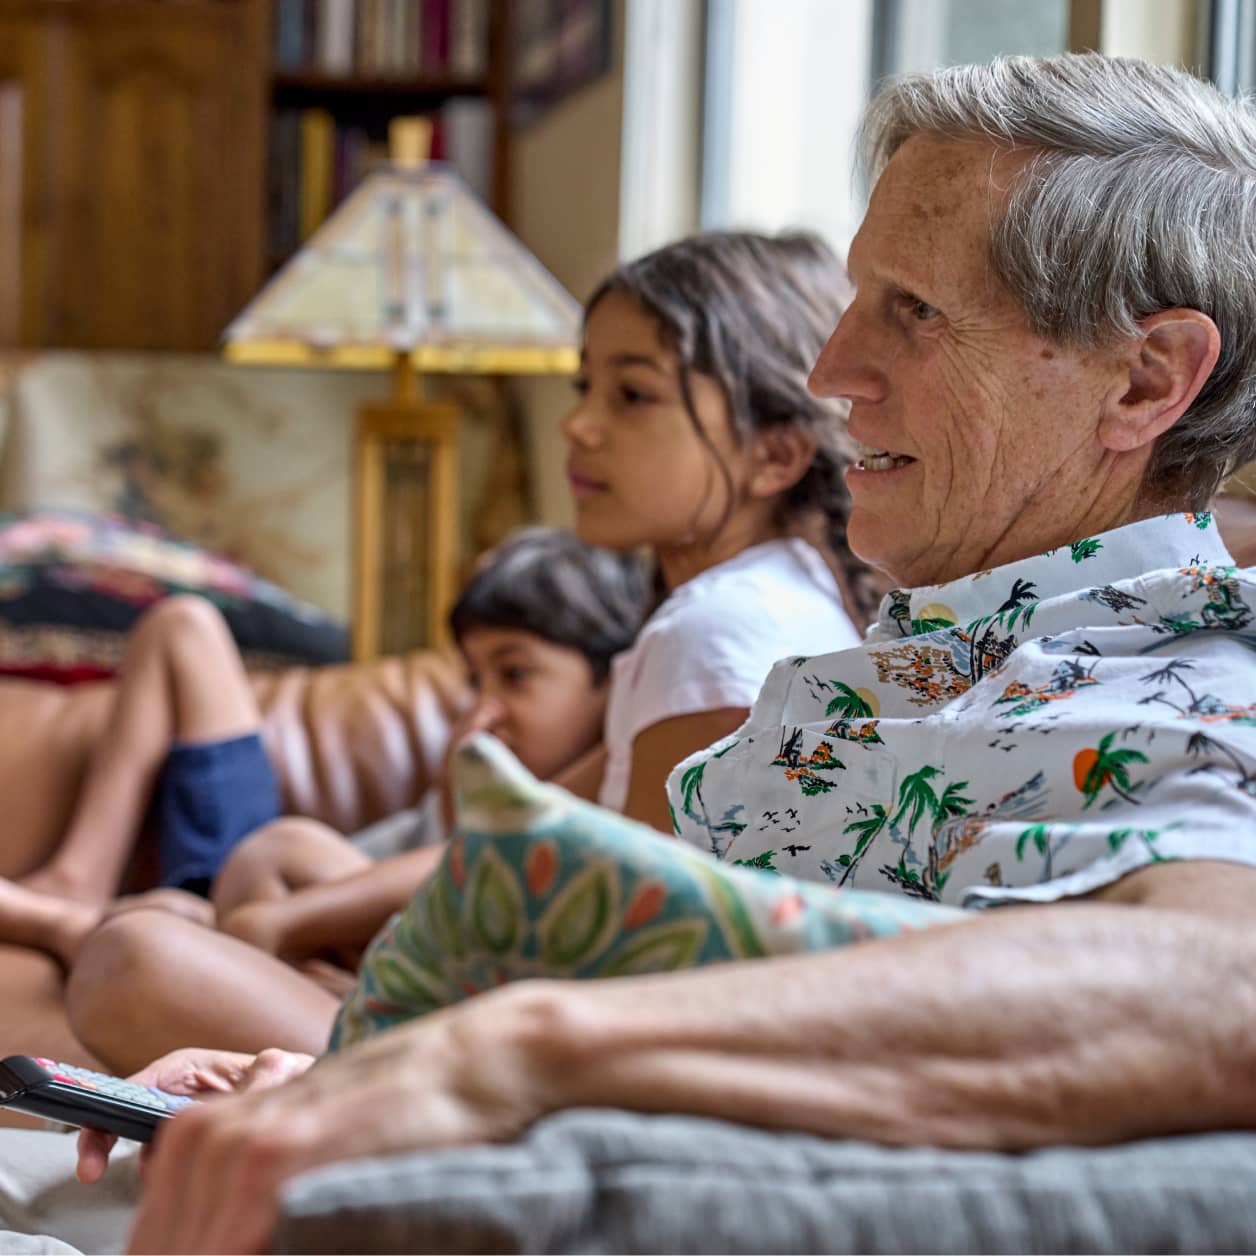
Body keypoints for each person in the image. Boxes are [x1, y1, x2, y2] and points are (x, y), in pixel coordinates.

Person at [61, 52, 1256, 1255]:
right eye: (855, 299)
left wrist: (502, 1057)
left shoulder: (1194, 693)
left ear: (1142, 380)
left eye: (914, 310)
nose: (830, 370)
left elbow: (1224, 985)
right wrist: (336, 1071)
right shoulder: (910, 660)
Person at [24, 528, 649, 1062]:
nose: (483, 708)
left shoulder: (612, 798)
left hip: (288, 926)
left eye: (514, 675)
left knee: (258, 865)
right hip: (258, 902)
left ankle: (73, 917)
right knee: (182, 626)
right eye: (473, 679)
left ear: (616, 682)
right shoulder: (467, 776)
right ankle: (77, 884)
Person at [556, 231, 873, 830]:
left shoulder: (713, 637)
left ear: (774, 456)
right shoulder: (774, 598)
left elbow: (633, 915)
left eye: (632, 394)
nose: (576, 425)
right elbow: (527, 826)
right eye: (584, 388)